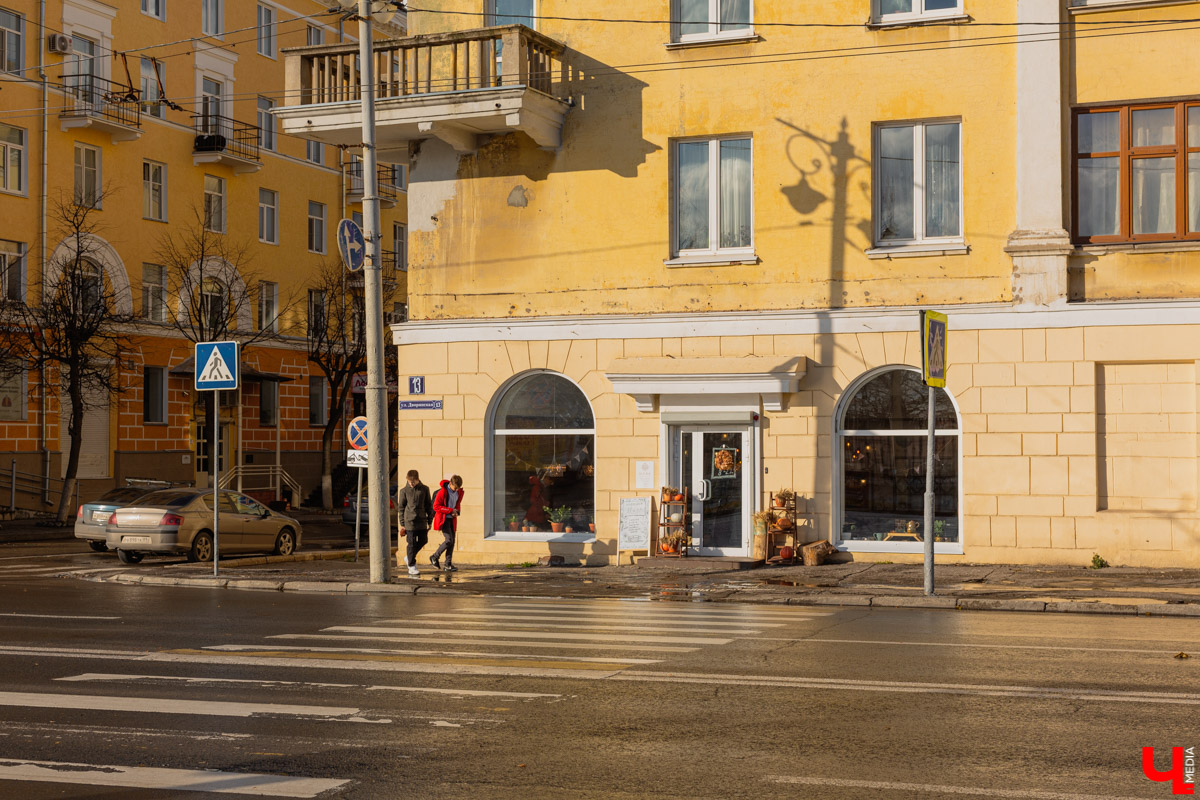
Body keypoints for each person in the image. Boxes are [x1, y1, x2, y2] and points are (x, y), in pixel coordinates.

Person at [396, 469, 433, 577]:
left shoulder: (425, 489)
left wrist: (430, 521)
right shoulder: (404, 491)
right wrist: (402, 523)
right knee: (411, 543)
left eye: (413, 482)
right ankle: (411, 566)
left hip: (421, 520)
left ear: (417, 479)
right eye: (409, 482)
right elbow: (401, 507)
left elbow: (428, 505)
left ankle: (409, 557)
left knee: (423, 540)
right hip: (409, 521)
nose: (411, 484)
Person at [430, 474, 463, 572]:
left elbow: (457, 504)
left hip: (452, 519)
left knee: (452, 542)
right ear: (450, 483)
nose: (456, 490)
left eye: (458, 488)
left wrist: (457, 511)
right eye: (455, 488)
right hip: (443, 519)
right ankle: (434, 557)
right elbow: (436, 506)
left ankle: (448, 564)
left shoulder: (458, 492)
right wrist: (450, 510)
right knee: (448, 540)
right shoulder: (443, 492)